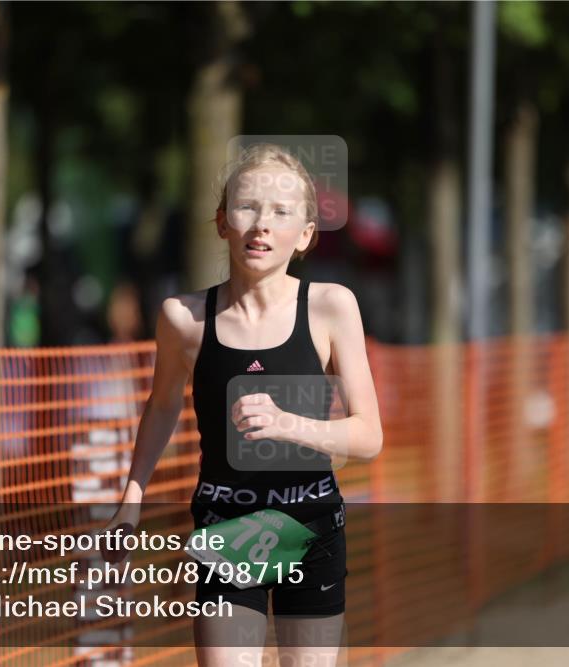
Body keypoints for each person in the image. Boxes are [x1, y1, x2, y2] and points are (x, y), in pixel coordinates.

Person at [105, 143, 382, 667]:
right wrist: (132, 498)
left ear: (304, 235)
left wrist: (288, 424)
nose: (261, 225)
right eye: (247, 207)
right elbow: (162, 405)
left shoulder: (330, 307)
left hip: (311, 524)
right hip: (225, 526)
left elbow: (369, 436)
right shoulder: (183, 319)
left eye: (281, 213)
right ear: (221, 222)